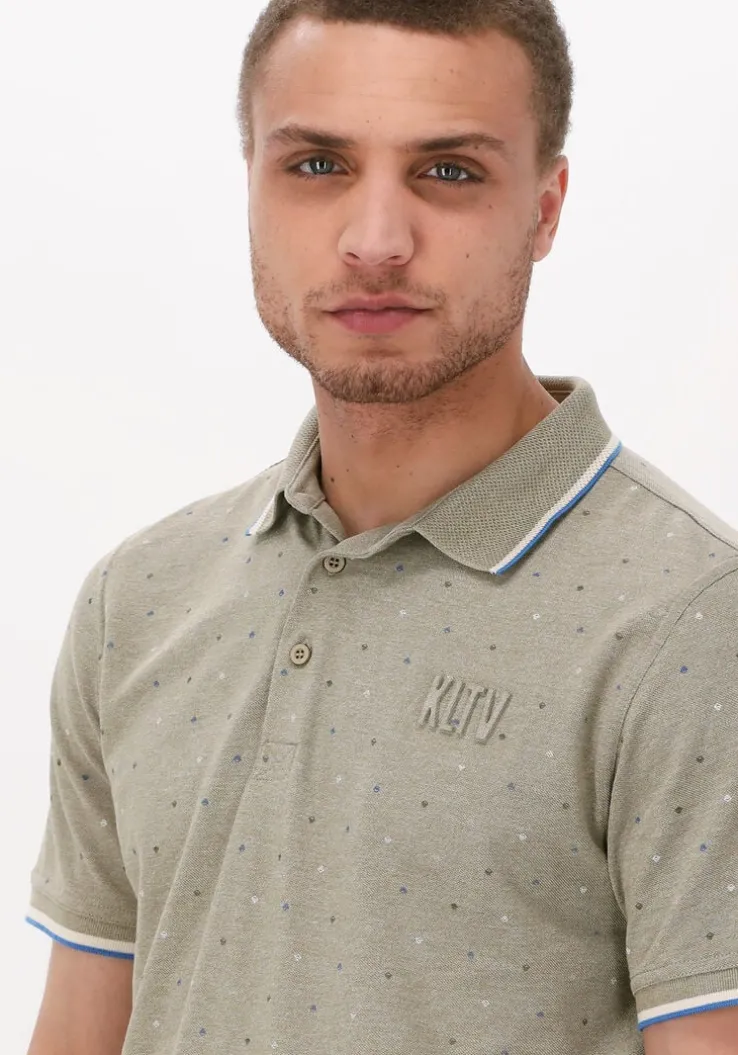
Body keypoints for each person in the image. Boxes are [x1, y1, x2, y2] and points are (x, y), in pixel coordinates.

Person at [24, 2, 738, 1054]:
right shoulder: (138, 598)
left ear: (546, 210)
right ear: (252, 187)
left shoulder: (693, 623)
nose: (375, 242)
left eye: (448, 171)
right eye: (317, 166)